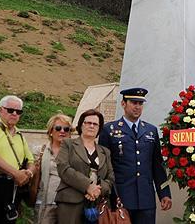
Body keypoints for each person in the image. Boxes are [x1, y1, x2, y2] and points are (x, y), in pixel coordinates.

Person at [98, 88, 172, 224]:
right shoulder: (109, 130)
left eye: (140, 103)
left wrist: (164, 193)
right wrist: (109, 195)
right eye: (133, 103)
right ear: (123, 104)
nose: (137, 107)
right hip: (120, 197)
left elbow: (157, 166)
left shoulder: (151, 131)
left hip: (146, 199)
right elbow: (104, 168)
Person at [0, 95, 35, 222]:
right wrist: (17, 174)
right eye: (10, 110)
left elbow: (31, 160)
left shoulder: (20, 134)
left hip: (13, 187)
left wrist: (28, 173)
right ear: (0, 110)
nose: (14, 114)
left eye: (18, 111)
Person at [56, 109, 114, 224]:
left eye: (95, 124)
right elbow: (63, 169)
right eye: (88, 122)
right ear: (81, 125)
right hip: (70, 203)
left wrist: (98, 190)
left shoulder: (105, 151)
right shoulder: (68, 144)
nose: (91, 126)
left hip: (97, 204)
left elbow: (110, 178)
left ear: (99, 128)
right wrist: (88, 186)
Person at [34, 113, 75, 224]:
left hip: (68, 204)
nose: (62, 131)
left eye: (66, 129)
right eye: (58, 128)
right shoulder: (39, 151)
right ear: (51, 131)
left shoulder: (75, 153)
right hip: (45, 203)